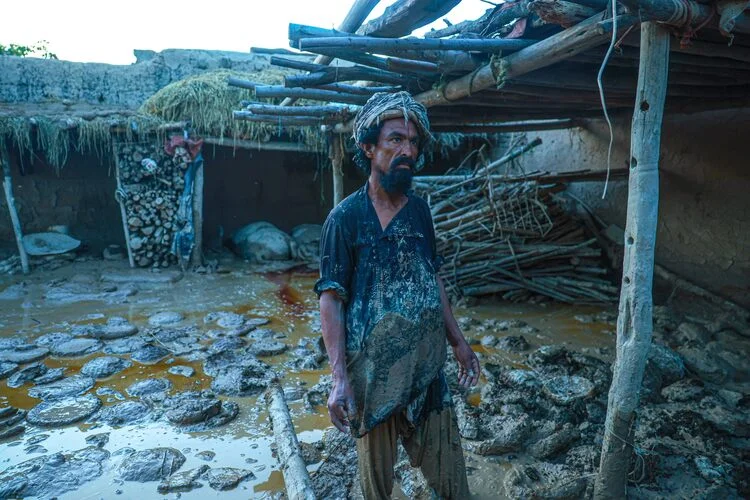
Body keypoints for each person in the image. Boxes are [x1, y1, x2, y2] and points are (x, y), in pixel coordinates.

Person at [314, 91, 480, 499]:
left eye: (412, 142)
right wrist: (339, 380)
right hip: (372, 379)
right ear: (369, 147)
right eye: (395, 140)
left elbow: (432, 279)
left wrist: (458, 342)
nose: (407, 150)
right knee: (376, 491)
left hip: (427, 373)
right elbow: (330, 298)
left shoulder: (420, 212)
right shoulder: (345, 219)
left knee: (454, 486)